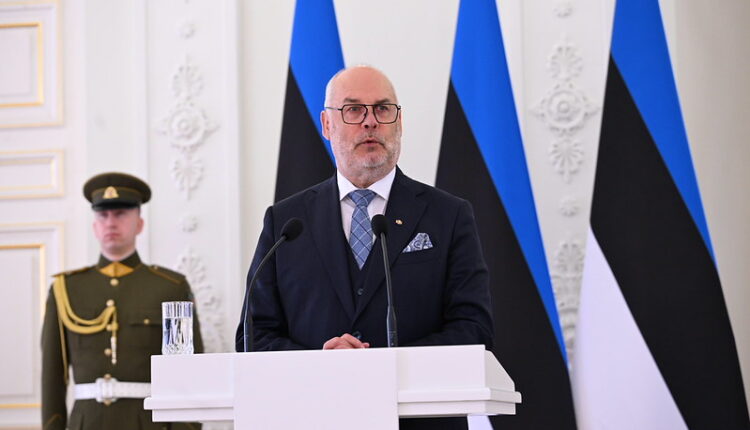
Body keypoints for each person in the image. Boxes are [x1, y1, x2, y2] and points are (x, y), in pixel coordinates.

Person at [236, 66, 493, 429]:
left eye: (383, 109)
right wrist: (321, 364)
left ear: (399, 123)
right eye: (354, 109)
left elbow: (473, 329)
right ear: (327, 125)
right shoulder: (286, 221)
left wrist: (380, 367)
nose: (370, 121)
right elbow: (253, 336)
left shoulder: (448, 215)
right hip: (313, 417)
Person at [41, 172, 203, 430]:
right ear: (94, 227)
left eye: (120, 214)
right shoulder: (66, 288)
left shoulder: (171, 287)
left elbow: (187, 372)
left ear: (139, 223)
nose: (110, 223)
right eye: (103, 215)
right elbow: (52, 375)